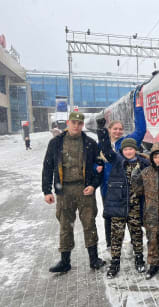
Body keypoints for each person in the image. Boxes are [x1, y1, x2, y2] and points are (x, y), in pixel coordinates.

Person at [42, 112, 105, 273]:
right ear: (68, 123)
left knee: (89, 223)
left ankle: (94, 259)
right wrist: (46, 190)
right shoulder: (56, 143)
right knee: (65, 225)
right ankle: (65, 261)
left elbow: (99, 167)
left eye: (79, 123)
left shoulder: (90, 143)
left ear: (82, 125)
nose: (76, 126)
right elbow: (48, 167)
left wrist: (93, 185)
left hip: (85, 190)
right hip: (64, 191)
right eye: (74, 122)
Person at [96, 119, 150, 278]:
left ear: (135, 150)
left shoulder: (143, 163)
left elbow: (157, 162)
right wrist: (102, 131)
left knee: (136, 234)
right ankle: (115, 262)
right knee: (116, 235)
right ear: (122, 151)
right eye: (125, 149)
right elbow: (106, 150)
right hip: (118, 206)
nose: (128, 152)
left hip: (134, 206)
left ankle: (139, 259)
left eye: (131, 149)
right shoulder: (117, 160)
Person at [96, 104, 146, 248]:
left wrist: (138, 110)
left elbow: (141, 130)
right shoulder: (102, 145)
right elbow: (93, 161)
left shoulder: (126, 143)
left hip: (124, 185)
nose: (118, 131)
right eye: (115, 129)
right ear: (109, 130)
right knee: (109, 214)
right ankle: (110, 243)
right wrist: (96, 167)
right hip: (106, 185)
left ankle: (133, 241)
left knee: (129, 213)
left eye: (120, 129)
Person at [132, 143, 159, 280]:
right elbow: (138, 192)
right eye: (155, 157)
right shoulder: (146, 173)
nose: (158, 159)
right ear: (152, 158)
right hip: (150, 214)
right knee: (152, 241)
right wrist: (135, 178)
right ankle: (153, 264)